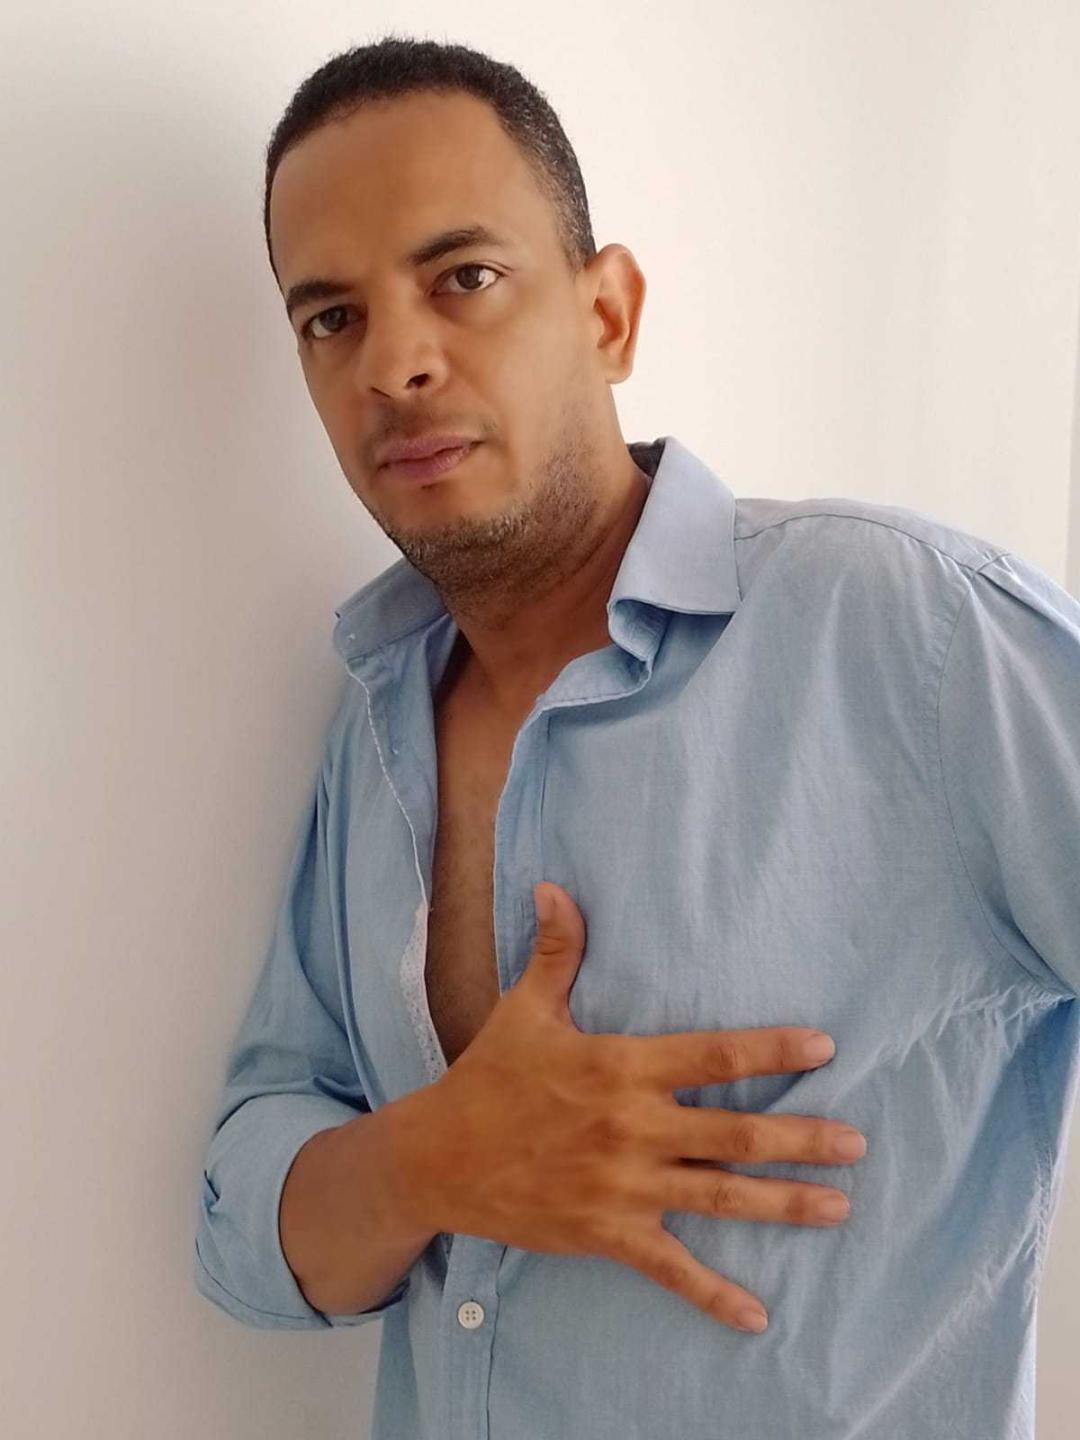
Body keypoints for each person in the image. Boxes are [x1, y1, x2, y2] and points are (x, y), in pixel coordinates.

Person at [193, 33, 1080, 1440]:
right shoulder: (375, 719)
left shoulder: (903, 627)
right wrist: (431, 1162)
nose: (395, 364)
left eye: (462, 278)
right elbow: (243, 1209)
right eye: (332, 318)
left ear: (608, 314)